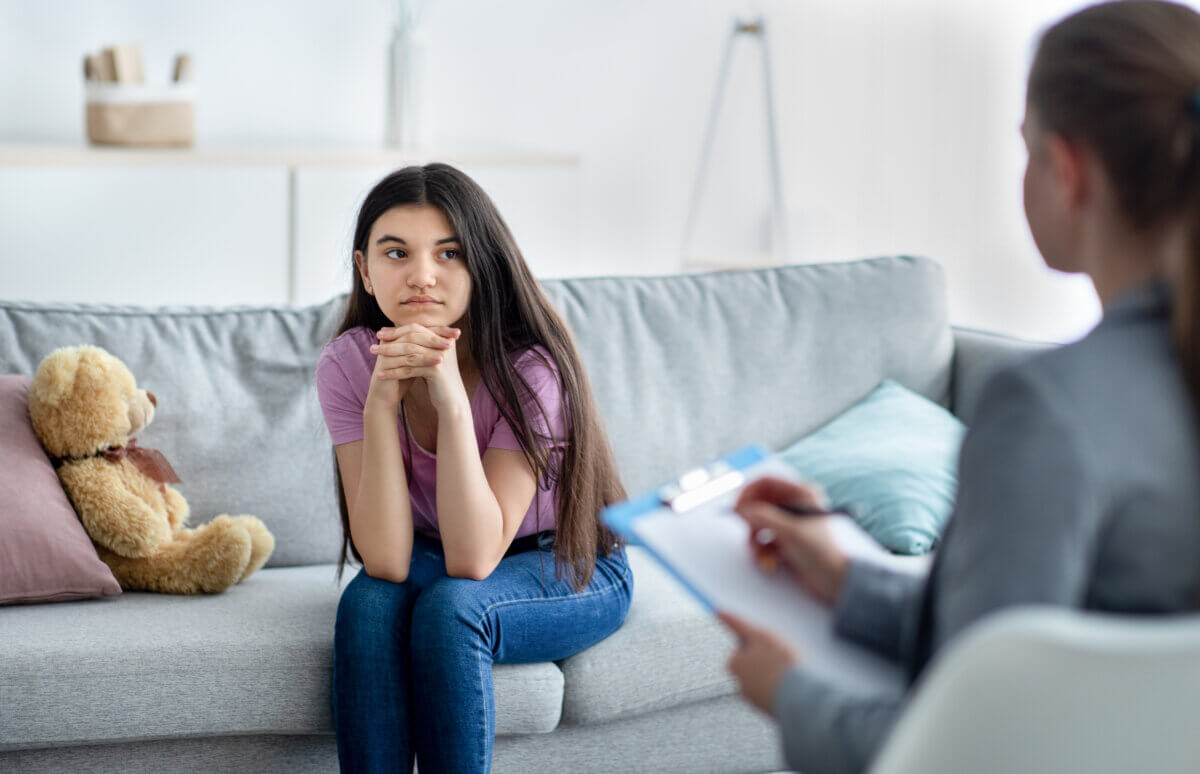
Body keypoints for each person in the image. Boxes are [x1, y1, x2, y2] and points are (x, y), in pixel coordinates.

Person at [718, 2, 1200, 772]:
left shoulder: (1047, 411)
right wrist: (850, 582)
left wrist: (790, 693)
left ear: (1068, 171)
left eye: (1026, 151)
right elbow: (1065, 648)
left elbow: (976, 747)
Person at [315, 163, 633, 774]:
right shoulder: (349, 365)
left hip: (567, 560)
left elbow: (473, 563)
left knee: (452, 609)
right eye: (396, 252)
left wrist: (451, 403)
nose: (422, 276)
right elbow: (384, 560)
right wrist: (382, 401)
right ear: (365, 269)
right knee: (367, 605)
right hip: (437, 550)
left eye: (449, 252)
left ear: (479, 264)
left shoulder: (530, 369)